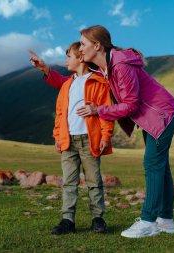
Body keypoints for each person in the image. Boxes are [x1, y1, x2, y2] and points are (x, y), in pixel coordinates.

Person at [29, 25, 174, 238]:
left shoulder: (119, 65)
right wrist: (45, 70)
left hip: (162, 113)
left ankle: (148, 222)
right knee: (161, 167)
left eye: (82, 43)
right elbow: (70, 84)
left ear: (97, 45)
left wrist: (97, 110)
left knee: (153, 164)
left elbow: (131, 105)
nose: (80, 48)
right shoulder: (104, 68)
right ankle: (166, 221)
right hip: (151, 116)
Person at [45, 42, 114, 235]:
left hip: (89, 139)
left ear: (81, 58)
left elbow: (106, 111)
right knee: (69, 182)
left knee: (94, 181)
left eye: (69, 57)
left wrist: (105, 136)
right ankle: (68, 220)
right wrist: (57, 136)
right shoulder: (67, 85)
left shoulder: (97, 82)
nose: (66, 60)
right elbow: (60, 114)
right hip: (68, 141)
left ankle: (98, 219)